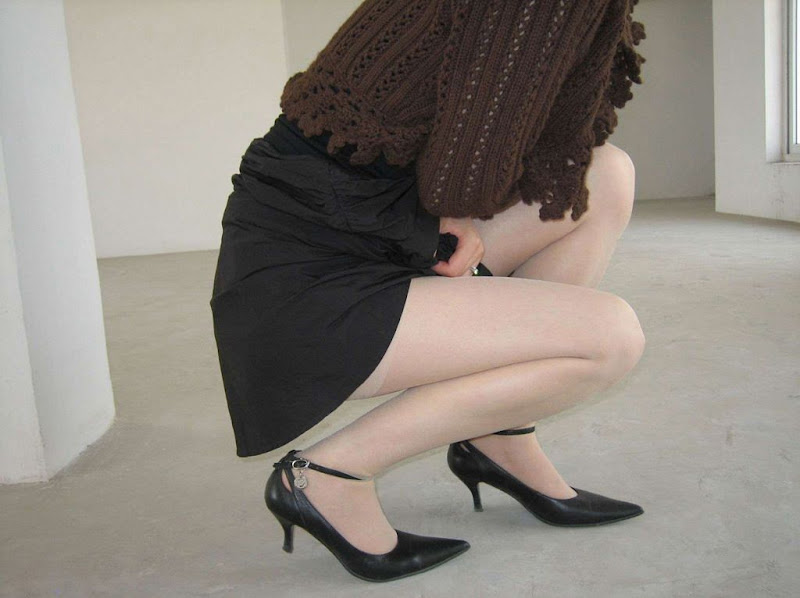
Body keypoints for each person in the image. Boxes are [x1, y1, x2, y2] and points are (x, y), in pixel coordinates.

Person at [210, 0, 647, 583]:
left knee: (603, 174)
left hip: (379, 219)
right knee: (609, 339)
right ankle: (327, 476)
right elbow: (474, 148)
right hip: (310, 273)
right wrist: (455, 213)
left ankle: (498, 433)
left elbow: (545, 132)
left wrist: (452, 217)